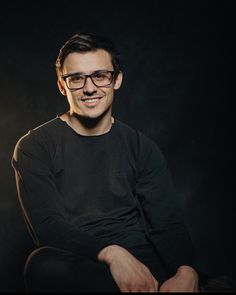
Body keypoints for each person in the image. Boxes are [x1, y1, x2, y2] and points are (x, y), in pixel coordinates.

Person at [12, 32, 200, 292]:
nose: (89, 88)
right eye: (76, 78)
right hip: (83, 264)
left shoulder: (141, 147)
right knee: (41, 265)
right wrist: (111, 253)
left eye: (100, 75)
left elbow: (167, 223)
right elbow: (49, 228)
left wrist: (187, 270)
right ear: (61, 85)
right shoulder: (35, 146)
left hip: (143, 264)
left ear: (117, 80)